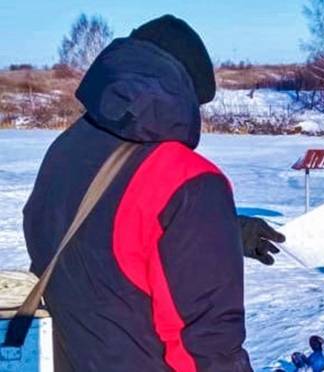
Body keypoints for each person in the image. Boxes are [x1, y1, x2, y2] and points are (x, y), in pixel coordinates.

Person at [23, 15, 283, 371]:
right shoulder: (191, 180)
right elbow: (205, 343)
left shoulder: (67, 148)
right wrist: (204, 223)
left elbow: (99, 235)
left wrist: (223, 231)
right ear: (186, 94)